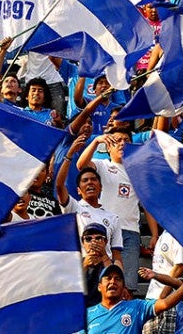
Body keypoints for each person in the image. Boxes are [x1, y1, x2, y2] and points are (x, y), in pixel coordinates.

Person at [77, 131, 141, 292]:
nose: (122, 143)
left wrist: (153, 235)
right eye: (117, 140)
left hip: (132, 231)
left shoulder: (138, 171)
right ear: (108, 147)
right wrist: (97, 140)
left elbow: (146, 203)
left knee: (127, 285)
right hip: (106, 232)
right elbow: (81, 165)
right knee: (106, 282)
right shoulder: (103, 165)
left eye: (126, 140)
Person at [55, 135, 123, 266]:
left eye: (94, 179)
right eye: (85, 181)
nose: (90, 183)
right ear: (79, 190)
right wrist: (69, 155)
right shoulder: (74, 207)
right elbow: (59, 186)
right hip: (80, 267)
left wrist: (118, 273)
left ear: (101, 187)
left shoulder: (113, 217)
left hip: (104, 270)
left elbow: (117, 255)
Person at [86, 264, 183, 334]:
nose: (113, 282)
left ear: (124, 287)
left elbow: (165, 304)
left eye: (118, 279)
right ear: (99, 287)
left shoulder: (137, 307)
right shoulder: (87, 314)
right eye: (108, 278)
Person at [81, 223, 113, 307]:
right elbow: (72, 287)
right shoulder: (75, 263)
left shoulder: (114, 263)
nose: (93, 241)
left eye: (98, 238)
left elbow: (114, 281)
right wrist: (84, 266)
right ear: (83, 243)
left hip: (105, 308)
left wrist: (104, 256)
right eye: (88, 239)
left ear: (105, 241)